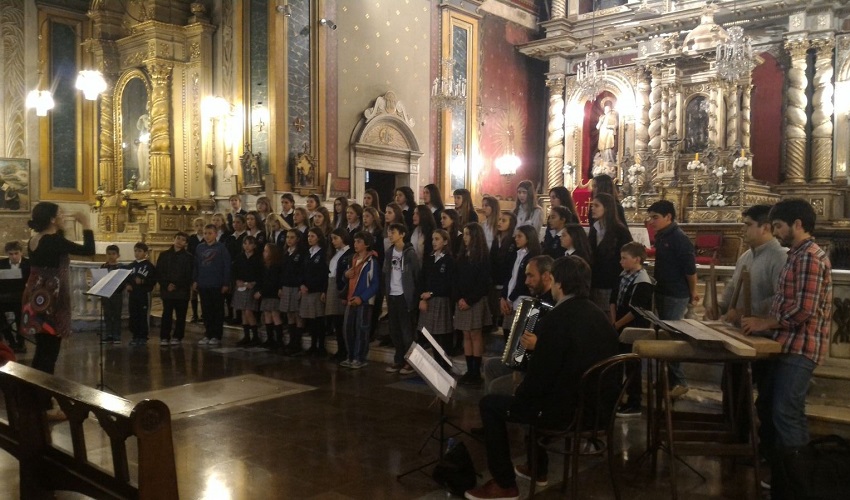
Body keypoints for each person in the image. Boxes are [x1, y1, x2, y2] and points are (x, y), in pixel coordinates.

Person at [465, 256, 619, 500]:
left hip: (569, 414)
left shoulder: (557, 319)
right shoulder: (599, 315)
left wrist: (520, 394)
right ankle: (537, 467)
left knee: (492, 404)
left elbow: (539, 378)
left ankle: (505, 485)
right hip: (601, 410)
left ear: (559, 284)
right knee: (538, 395)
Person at [742, 199, 832, 484]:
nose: (776, 231)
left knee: (786, 412)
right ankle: (784, 478)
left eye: (779, 225)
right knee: (772, 408)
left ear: (797, 224)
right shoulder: (797, 253)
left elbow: (803, 309)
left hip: (801, 347)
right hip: (788, 343)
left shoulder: (809, 257)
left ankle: (798, 484)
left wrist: (765, 322)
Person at [22, 203, 95, 382]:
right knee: (49, 356)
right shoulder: (53, 241)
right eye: (60, 213)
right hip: (51, 301)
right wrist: (86, 225)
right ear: (52, 219)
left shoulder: (35, 239)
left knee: (41, 351)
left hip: (37, 297)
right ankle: (44, 404)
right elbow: (88, 250)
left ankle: (35, 398)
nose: (63, 216)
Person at [483, 255, 555, 398]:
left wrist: (521, 367)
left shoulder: (551, 305)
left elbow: (549, 350)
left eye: (530, 276)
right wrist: (517, 361)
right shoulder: (537, 302)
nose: (526, 281)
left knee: (495, 387)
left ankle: (509, 410)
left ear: (546, 276)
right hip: (525, 364)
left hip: (538, 372)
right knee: (490, 365)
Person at [646, 200, 698, 397]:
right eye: (650, 217)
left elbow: (690, 270)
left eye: (655, 217)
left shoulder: (679, 238)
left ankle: (680, 381)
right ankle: (665, 380)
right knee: (662, 334)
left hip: (676, 294)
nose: (651, 221)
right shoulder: (662, 235)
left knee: (672, 336)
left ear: (669, 217)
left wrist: (693, 292)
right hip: (663, 290)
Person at [714, 205, 787, 326]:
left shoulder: (780, 257)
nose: (743, 230)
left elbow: (781, 298)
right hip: (740, 330)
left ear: (765, 228)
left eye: (748, 225)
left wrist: (746, 311)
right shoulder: (745, 256)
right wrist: (721, 307)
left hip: (763, 334)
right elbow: (733, 286)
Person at [610, 242, 654, 417]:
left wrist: (618, 324)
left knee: (632, 365)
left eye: (624, 258)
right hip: (618, 324)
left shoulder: (643, 281)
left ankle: (634, 402)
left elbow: (637, 310)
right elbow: (613, 299)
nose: (621, 262)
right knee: (618, 363)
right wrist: (613, 321)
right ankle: (618, 397)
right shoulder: (622, 276)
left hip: (634, 327)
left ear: (637, 259)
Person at [454, 223, 492, 385]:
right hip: (462, 300)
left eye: (468, 234)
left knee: (475, 335)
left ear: (476, 236)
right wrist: (459, 298)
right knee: (466, 335)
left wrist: (469, 300)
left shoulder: (483, 257)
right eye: (465, 234)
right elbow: (455, 279)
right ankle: (469, 370)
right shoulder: (462, 256)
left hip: (475, 301)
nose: (465, 237)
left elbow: (483, 283)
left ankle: (476, 372)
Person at [383, 222, 420, 374]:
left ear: (402, 234)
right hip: (392, 294)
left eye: (393, 232)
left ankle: (410, 362)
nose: (390, 235)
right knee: (395, 330)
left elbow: (416, 276)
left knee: (407, 331)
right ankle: (399, 359)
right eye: (389, 232)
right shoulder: (389, 252)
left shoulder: (410, 253)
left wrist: (413, 297)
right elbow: (386, 272)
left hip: (404, 296)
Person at [340, 231, 381, 368]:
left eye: (359, 242)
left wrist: (362, 297)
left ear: (367, 244)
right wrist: (346, 275)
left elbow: (375, 284)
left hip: (363, 302)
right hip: (351, 299)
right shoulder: (352, 258)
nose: (355, 244)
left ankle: (360, 357)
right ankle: (350, 355)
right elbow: (345, 278)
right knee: (348, 329)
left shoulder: (372, 261)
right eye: (355, 241)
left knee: (361, 329)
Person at [417, 229, 455, 371]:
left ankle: (444, 365)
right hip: (427, 300)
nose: (434, 242)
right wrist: (422, 297)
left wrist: (431, 293)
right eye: (433, 239)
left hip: (440, 299)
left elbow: (448, 284)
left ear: (445, 241)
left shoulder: (449, 260)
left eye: (437, 239)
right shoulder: (429, 259)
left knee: (442, 336)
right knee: (430, 335)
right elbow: (422, 279)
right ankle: (437, 363)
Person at [588, 193, 633, 312]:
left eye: (596, 205)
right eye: (592, 205)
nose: (592, 208)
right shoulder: (594, 228)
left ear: (607, 208)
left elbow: (627, 255)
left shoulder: (620, 231)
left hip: (610, 282)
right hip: (595, 281)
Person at [193, 223, 231, 346]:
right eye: (205, 233)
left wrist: (225, 283)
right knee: (206, 310)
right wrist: (195, 280)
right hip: (204, 283)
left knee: (217, 311)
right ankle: (208, 333)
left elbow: (226, 266)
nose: (207, 236)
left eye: (210, 233)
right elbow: (196, 265)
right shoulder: (199, 248)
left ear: (215, 234)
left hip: (217, 284)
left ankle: (216, 335)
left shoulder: (221, 248)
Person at [500, 225, 542, 331]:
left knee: (518, 335)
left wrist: (510, 299)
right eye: (516, 236)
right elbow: (509, 276)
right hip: (510, 299)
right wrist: (503, 297)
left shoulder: (532, 256)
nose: (516, 239)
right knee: (507, 333)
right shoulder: (516, 254)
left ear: (529, 237)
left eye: (520, 236)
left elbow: (523, 281)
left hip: (521, 300)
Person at [157, 232, 194, 345]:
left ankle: (177, 336)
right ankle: (164, 337)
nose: (179, 241)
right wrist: (166, 284)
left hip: (182, 290)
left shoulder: (189, 257)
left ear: (186, 243)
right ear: (174, 239)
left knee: (181, 315)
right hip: (167, 290)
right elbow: (159, 272)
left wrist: (177, 285)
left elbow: (189, 275)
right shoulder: (164, 255)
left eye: (183, 240)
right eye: (178, 238)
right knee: (167, 314)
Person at [325, 229, 353, 361]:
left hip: (341, 288)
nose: (333, 241)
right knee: (336, 321)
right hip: (332, 286)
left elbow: (347, 275)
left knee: (341, 322)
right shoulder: (335, 254)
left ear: (343, 238)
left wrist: (344, 294)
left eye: (335, 238)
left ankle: (344, 350)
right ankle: (340, 349)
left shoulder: (349, 253)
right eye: (332, 239)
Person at [300, 228, 328, 357]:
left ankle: (320, 346)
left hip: (317, 290)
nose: (309, 238)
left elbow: (323, 273)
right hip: (307, 289)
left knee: (318, 319)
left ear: (318, 237)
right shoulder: (308, 252)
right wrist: (302, 284)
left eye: (312, 236)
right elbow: (303, 271)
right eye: (308, 236)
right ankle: (313, 345)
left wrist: (323, 289)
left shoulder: (322, 253)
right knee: (311, 319)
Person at [279, 229, 307, 354]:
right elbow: (282, 271)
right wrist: (280, 286)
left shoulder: (301, 253)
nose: (289, 240)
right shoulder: (285, 252)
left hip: (296, 286)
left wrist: (301, 285)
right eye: (287, 237)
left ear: (297, 239)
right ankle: (291, 341)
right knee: (289, 313)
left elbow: (303, 271)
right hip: (286, 286)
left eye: (292, 237)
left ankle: (297, 343)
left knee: (297, 314)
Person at [233, 235, 263, 347]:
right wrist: (237, 281)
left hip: (252, 287)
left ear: (254, 245)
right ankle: (246, 336)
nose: (247, 246)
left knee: (248, 311)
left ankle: (255, 336)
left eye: (250, 243)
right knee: (242, 311)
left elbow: (261, 275)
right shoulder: (239, 257)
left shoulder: (258, 258)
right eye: (245, 243)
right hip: (241, 286)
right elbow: (235, 271)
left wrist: (255, 284)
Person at [0, 241, 31, 352]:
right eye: (11, 254)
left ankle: (20, 342)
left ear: (21, 253)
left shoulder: (28, 264)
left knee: (20, 315)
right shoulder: (1, 264)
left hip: (22, 298)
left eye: (16, 253)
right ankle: (10, 340)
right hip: (4, 298)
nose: (13, 256)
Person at [126, 242, 156, 346]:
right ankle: (135, 335)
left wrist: (143, 282)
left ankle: (143, 336)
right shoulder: (131, 266)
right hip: (133, 295)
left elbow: (153, 280)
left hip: (144, 294)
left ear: (145, 252)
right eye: (135, 251)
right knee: (133, 315)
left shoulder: (149, 266)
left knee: (143, 315)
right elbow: (126, 279)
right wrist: (127, 285)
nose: (137, 253)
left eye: (139, 251)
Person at [255, 243, 284, 349]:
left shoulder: (275, 266)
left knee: (275, 315)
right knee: (267, 314)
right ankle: (270, 338)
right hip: (266, 294)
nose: (264, 253)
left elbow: (273, 281)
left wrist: (261, 292)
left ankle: (279, 341)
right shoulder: (264, 266)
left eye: (266, 251)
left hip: (272, 293)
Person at [99, 245, 124, 345]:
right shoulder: (103, 266)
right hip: (105, 294)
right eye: (109, 254)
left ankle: (117, 335)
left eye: (113, 254)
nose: (111, 256)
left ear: (118, 255)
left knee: (116, 315)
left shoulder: (120, 267)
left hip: (117, 294)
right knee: (107, 314)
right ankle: (109, 334)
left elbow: (123, 281)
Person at [188, 217, 205, 322]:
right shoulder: (192, 238)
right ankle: (194, 314)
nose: (199, 228)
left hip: (203, 267)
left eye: (201, 225)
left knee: (203, 293)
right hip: (193, 267)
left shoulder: (206, 237)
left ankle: (204, 313)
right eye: (197, 226)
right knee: (193, 293)